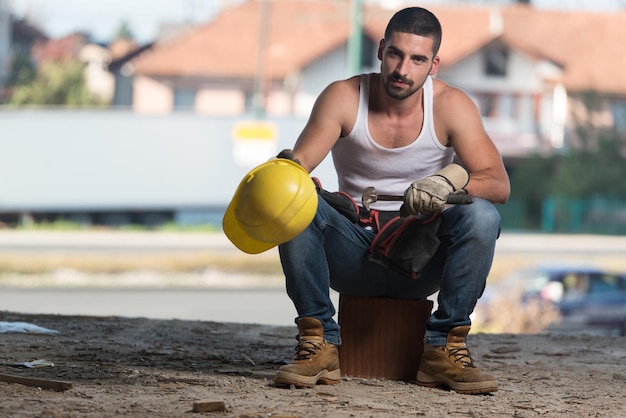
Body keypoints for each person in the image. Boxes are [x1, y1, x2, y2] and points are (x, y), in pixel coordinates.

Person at [273, 6, 510, 395]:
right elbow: (298, 168)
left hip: (419, 257)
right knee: (295, 202)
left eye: (417, 59)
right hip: (352, 251)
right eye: (396, 54)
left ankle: (444, 349)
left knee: (481, 216)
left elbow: (499, 184)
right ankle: (319, 344)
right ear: (382, 49)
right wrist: (281, 174)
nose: (403, 69)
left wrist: (448, 183)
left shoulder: (451, 105)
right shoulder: (344, 96)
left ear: (433, 65)